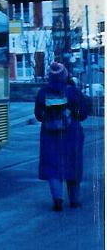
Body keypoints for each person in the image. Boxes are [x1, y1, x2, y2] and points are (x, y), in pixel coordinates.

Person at [35, 61, 89, 211]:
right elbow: (83, 113)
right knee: (73, 166)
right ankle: (74, 200)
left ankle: (57, 199)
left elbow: (38, 115)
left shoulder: (43, 93)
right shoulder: (73, 92)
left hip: (49, 137)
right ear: (65, 75)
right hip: (72, 135)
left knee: (52, 167)